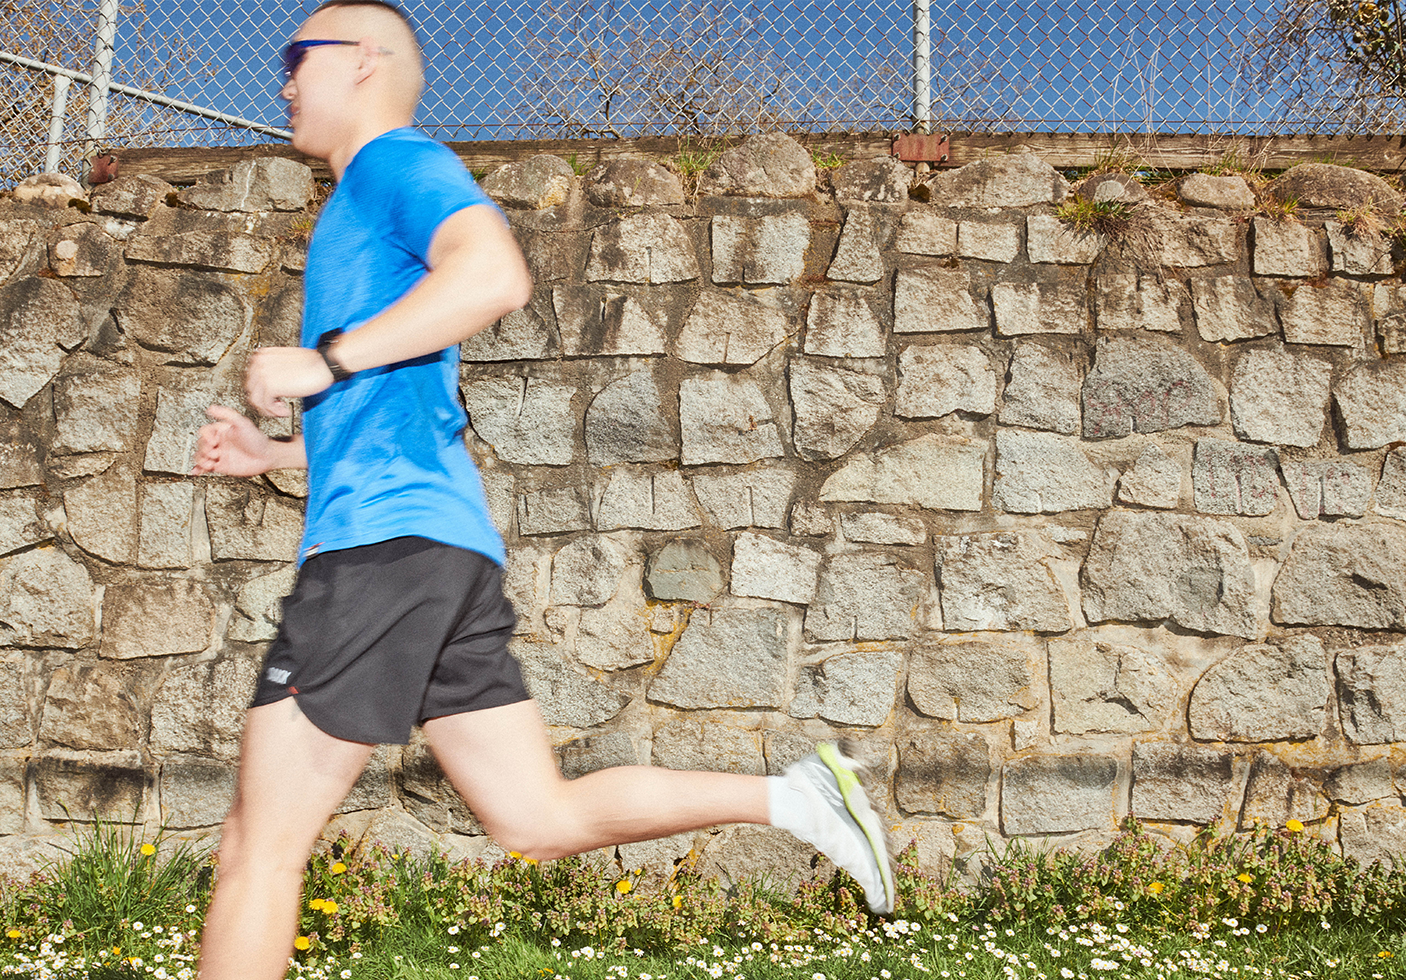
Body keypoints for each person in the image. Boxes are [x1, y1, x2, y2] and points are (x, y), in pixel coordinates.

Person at [190, 4, 895, 977]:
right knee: (539, 817)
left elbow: (493, 271)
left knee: (254, 848)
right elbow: (396, 423)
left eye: (293, 58)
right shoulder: (364, 207)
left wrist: (325, 359)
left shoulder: (394, 166)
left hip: (380, 557)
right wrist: (277, 457)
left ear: (360, 63)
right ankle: (798, 799)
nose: (280, 80)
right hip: (438, 551)